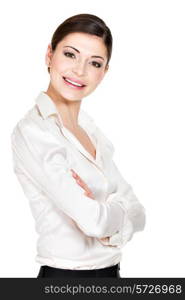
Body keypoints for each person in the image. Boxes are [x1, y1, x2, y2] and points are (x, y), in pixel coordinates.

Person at [11, 13, 146, 278]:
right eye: (70, 55)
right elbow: (94, 222)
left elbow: (140, 214)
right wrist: (118, 208)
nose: (79, 71)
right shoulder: (34, 131)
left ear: (104, 72)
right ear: (49, 55)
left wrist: (107, 211)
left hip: (112, 276)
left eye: (94, 63)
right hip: (65, 279)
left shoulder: (92, 132)